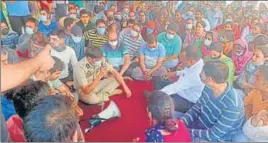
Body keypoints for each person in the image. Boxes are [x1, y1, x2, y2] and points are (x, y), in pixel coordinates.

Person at [181, 60, 245, 142]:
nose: (199, 75)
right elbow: (197, 108)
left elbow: (213, 135)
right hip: (199, 126)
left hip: (215, 139)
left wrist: (186, 131)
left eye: (201, 75)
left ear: (209, 80)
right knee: (169, 122)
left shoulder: (232, 105)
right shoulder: (208, 87)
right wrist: (182, 122)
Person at [152, 45, 205, 113]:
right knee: (159, 80)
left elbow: (176, 87)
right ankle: (156, 97)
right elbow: (186, 71)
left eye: (183, 61)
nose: (181, 62)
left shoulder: (197, 74)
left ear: (191, 61)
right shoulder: (196, 61)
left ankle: (155, 97)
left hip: (186, 100)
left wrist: (158, 95)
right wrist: (174, 73)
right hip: (180, 90)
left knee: (164, 104)